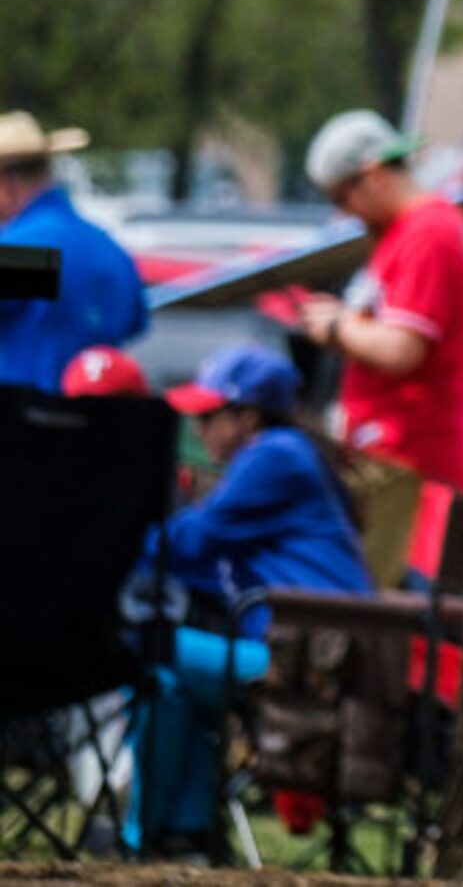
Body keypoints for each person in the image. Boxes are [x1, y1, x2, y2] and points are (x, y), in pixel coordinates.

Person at [135, 345, 370, 850]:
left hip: (310, 663)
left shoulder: (274, 456)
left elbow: (190, 541)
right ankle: (182, 834)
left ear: (249, 415)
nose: (199, 430)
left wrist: (105, 542)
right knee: (174, 682)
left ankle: (153, 832)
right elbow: (201, 558)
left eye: (209, 415)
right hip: (313, 655)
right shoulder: (290, 454)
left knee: (149, 650)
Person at [298, 108, 463, 587]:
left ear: (373, 175)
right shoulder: (406, 232)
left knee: (382, 614)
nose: (343, 212)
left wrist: (337, 326)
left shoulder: (428, 232)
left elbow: (403, 349)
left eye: (343, 196)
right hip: (389, 456)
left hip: (410, 460)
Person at [0, 110, 149, 388]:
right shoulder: (111, 249)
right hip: (103, 423)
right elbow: (135, 323)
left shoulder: (12, 247)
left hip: (19, 422)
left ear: (4, 183)